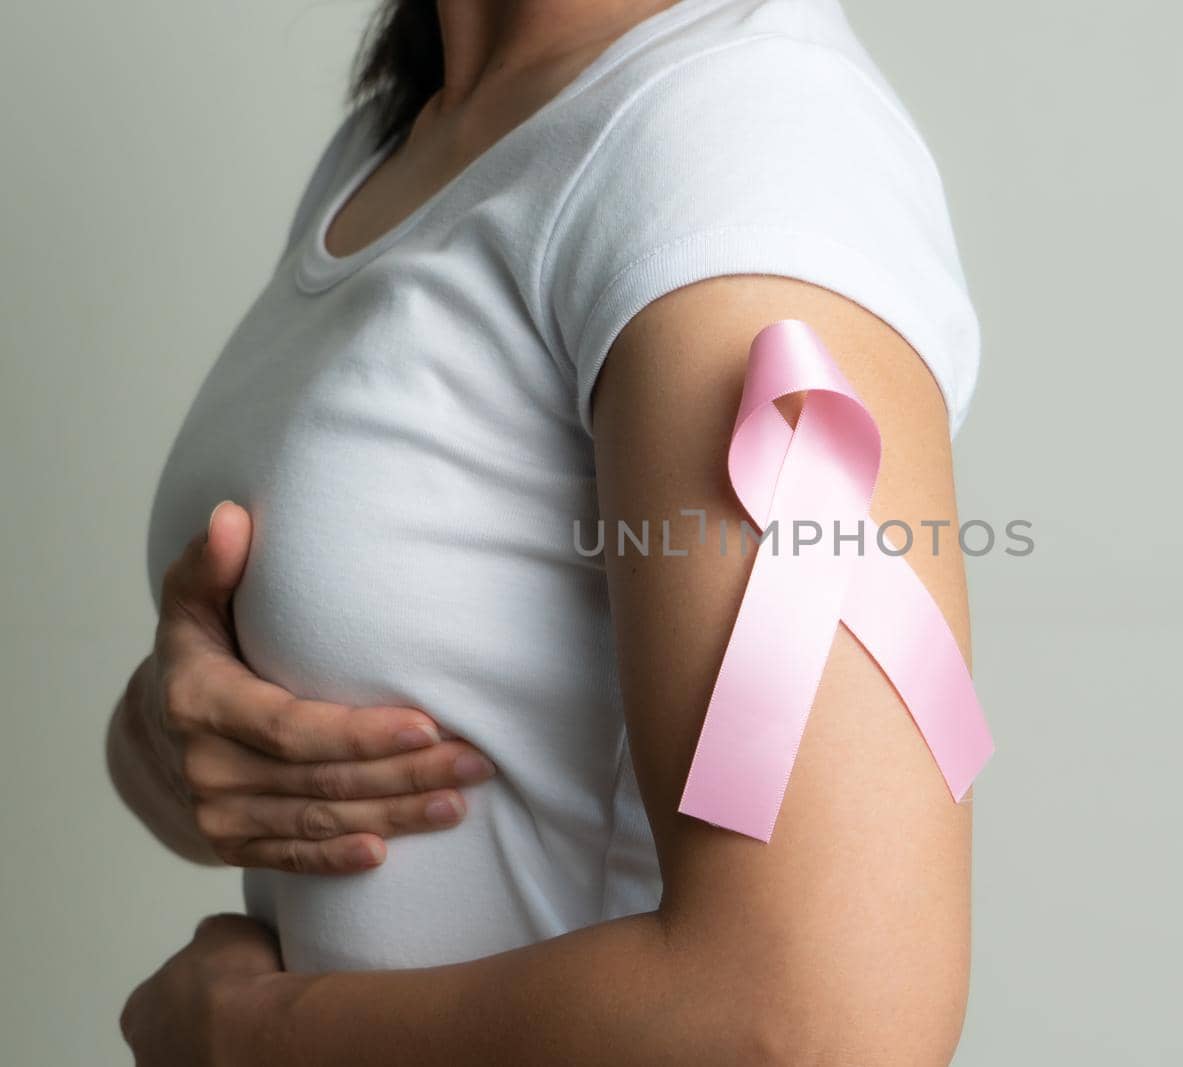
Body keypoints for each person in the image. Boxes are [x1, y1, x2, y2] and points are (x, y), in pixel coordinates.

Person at [108, 0, 984, 1061]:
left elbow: (817, 1022)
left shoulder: (733, 138)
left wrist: (254, 1036)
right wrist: (169, 739)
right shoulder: (406, 136)